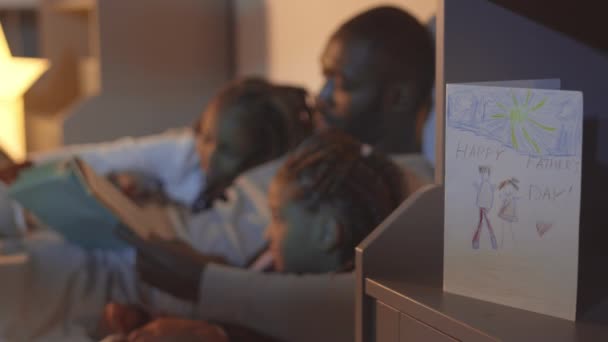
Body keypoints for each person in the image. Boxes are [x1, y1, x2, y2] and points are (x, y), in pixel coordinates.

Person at [0, 5, 435, 341]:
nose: (319, 97)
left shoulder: (406, 192)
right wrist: (147, 189)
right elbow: (198, 164)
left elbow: (353, 303)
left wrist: (207, 282)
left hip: (148, 276)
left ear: (396, 97)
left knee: (25, 275)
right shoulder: (317, 143)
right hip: (139, 242)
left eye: (339, 83)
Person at [103, 130, 409, 341]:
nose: (267, 232)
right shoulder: (272, 266)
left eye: (278, 219)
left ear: (327, 233)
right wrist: (148, 321)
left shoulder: (331, 316)